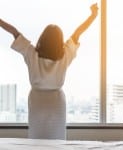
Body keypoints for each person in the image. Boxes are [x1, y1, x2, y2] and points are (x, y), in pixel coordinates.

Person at [0, 3, 98, 139]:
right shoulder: (65, 54)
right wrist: (93, 16)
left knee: (36, 139)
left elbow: (14, 32)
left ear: (42, 38)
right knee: (57, 139)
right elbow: (78, 33)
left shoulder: (31, 53)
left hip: (37, 101)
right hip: (56, 102)